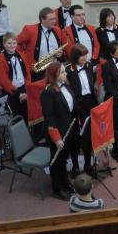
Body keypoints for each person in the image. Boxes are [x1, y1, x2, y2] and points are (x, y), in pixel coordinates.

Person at [40, 62, 78, 200]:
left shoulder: (66, 85)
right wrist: (56, 138)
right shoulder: (48, 92)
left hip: (68, 129)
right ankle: (57, 188)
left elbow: (71, 107)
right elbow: (49, 118)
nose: (65, 73)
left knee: (64, 159)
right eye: (62, 72)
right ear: (54, 75)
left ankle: (65, 182)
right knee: (56, 162)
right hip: (57, 133)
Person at [66, 44, 97, 175]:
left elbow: (92, 82)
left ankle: (87, 164)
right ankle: (75, 166)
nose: (85, 58)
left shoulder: (89, 66)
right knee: (76, 137)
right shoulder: (68, 70)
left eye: (85, 55)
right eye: (81, 56)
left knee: (88, 136)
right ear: (75, 57)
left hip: (90, 102)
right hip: (77, 105)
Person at [16, 7, 68, 81]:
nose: (54, 21)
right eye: (51, 19)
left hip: (54, 68)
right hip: (38, 69)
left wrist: (60, 54)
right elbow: (16, 43)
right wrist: (23, 58)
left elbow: (62, 48)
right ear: (42, 19)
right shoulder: (30, 30)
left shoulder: (57, 30)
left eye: (55, 19)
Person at [0, 32, 30, 122]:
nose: (12, 46)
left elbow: (27, 73)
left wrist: (27, 89)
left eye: (14, 43)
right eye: (9, 43)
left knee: (27, 116)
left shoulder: (22, 54)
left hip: (24, 90)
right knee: (16, 118)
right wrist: (18, 94)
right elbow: (4, 81)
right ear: (4, 44)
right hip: (11, 94)